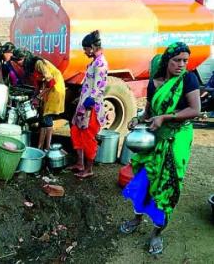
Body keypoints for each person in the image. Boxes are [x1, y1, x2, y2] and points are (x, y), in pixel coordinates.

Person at [120, 42, 200, 255]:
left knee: (166, 185)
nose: (181, 64)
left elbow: (195, 110)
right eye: (177, 60)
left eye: (185, 60)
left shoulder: (188, 79)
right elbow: (149, 111)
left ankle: (156, 232)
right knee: (143, 178)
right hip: (154, 137)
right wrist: (138, 119)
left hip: (177, 138)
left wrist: (165, 117)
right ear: (167, 61)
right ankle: (137, 218)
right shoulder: (154, 84)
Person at [69, 30, 108, 178]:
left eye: (85, 49)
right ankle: (80, 163)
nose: (84, 52)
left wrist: (86, 104)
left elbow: (99, 88)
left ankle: (88, 169)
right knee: (75, 131)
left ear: (92, 47)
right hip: (84, 104)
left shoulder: (101, 64)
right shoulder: (94, 62)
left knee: (88, 137)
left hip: (91, 107)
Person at [11, 48, 65, 150]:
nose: (18, 63)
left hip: (55, 89)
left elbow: (51, 82)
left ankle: (46, 148)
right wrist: (35, 96)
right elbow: (39, 83)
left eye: (19, 60)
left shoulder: (38, 63)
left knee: (47, 118)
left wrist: (38, 97)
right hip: (48, 88)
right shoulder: (32, 66)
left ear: (24, 58)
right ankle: (40, 147)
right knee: (43, 119)